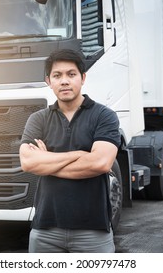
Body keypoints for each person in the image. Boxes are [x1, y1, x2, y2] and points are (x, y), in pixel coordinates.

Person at [19, 49, 121, 253]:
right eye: (57, 75)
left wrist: (46, 162)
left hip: (93, 231)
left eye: (71, 74)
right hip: (45, 230)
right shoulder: (38, 119)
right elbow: (28, 163)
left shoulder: (104, 116)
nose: (64, 81)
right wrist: (80, 154)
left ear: (83, 78)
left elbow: (100, 163)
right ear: (49, 81)